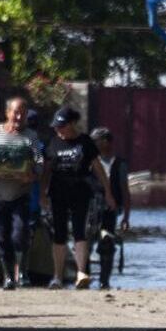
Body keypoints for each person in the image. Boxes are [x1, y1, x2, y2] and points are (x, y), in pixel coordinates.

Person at [40, 107, 115, 289]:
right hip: (58, 192)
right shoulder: (53, 143)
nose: (59, 130)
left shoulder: (85, 142)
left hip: (80, 192)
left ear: (72, 124)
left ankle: (81, 273)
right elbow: (47, 170)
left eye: (62, 126)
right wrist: (43, 193)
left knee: (80, 231)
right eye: (57, 127)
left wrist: (108, 192)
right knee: (59, 234)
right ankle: (57, 276)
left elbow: (97, 168)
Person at [0, 97, 43, 290]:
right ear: (7, 113)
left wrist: (31, 176)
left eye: (22, 113)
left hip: (20, 195)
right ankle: (8, 277)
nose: (19, 116)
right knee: (1, 237)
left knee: (20, 234)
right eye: (15, 112)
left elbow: (39, 162)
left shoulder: (30, 136)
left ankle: (22, 273)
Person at [89, 127, 131, 290]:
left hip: (110, 211)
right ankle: (83, 276)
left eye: (96, 141)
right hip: (90, 210)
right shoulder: (90, 160)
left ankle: (104, 281)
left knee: (107, 244)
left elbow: (125, 191)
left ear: (106, 142)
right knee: (86, 242)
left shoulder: (119, 164)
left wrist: (126, 217)